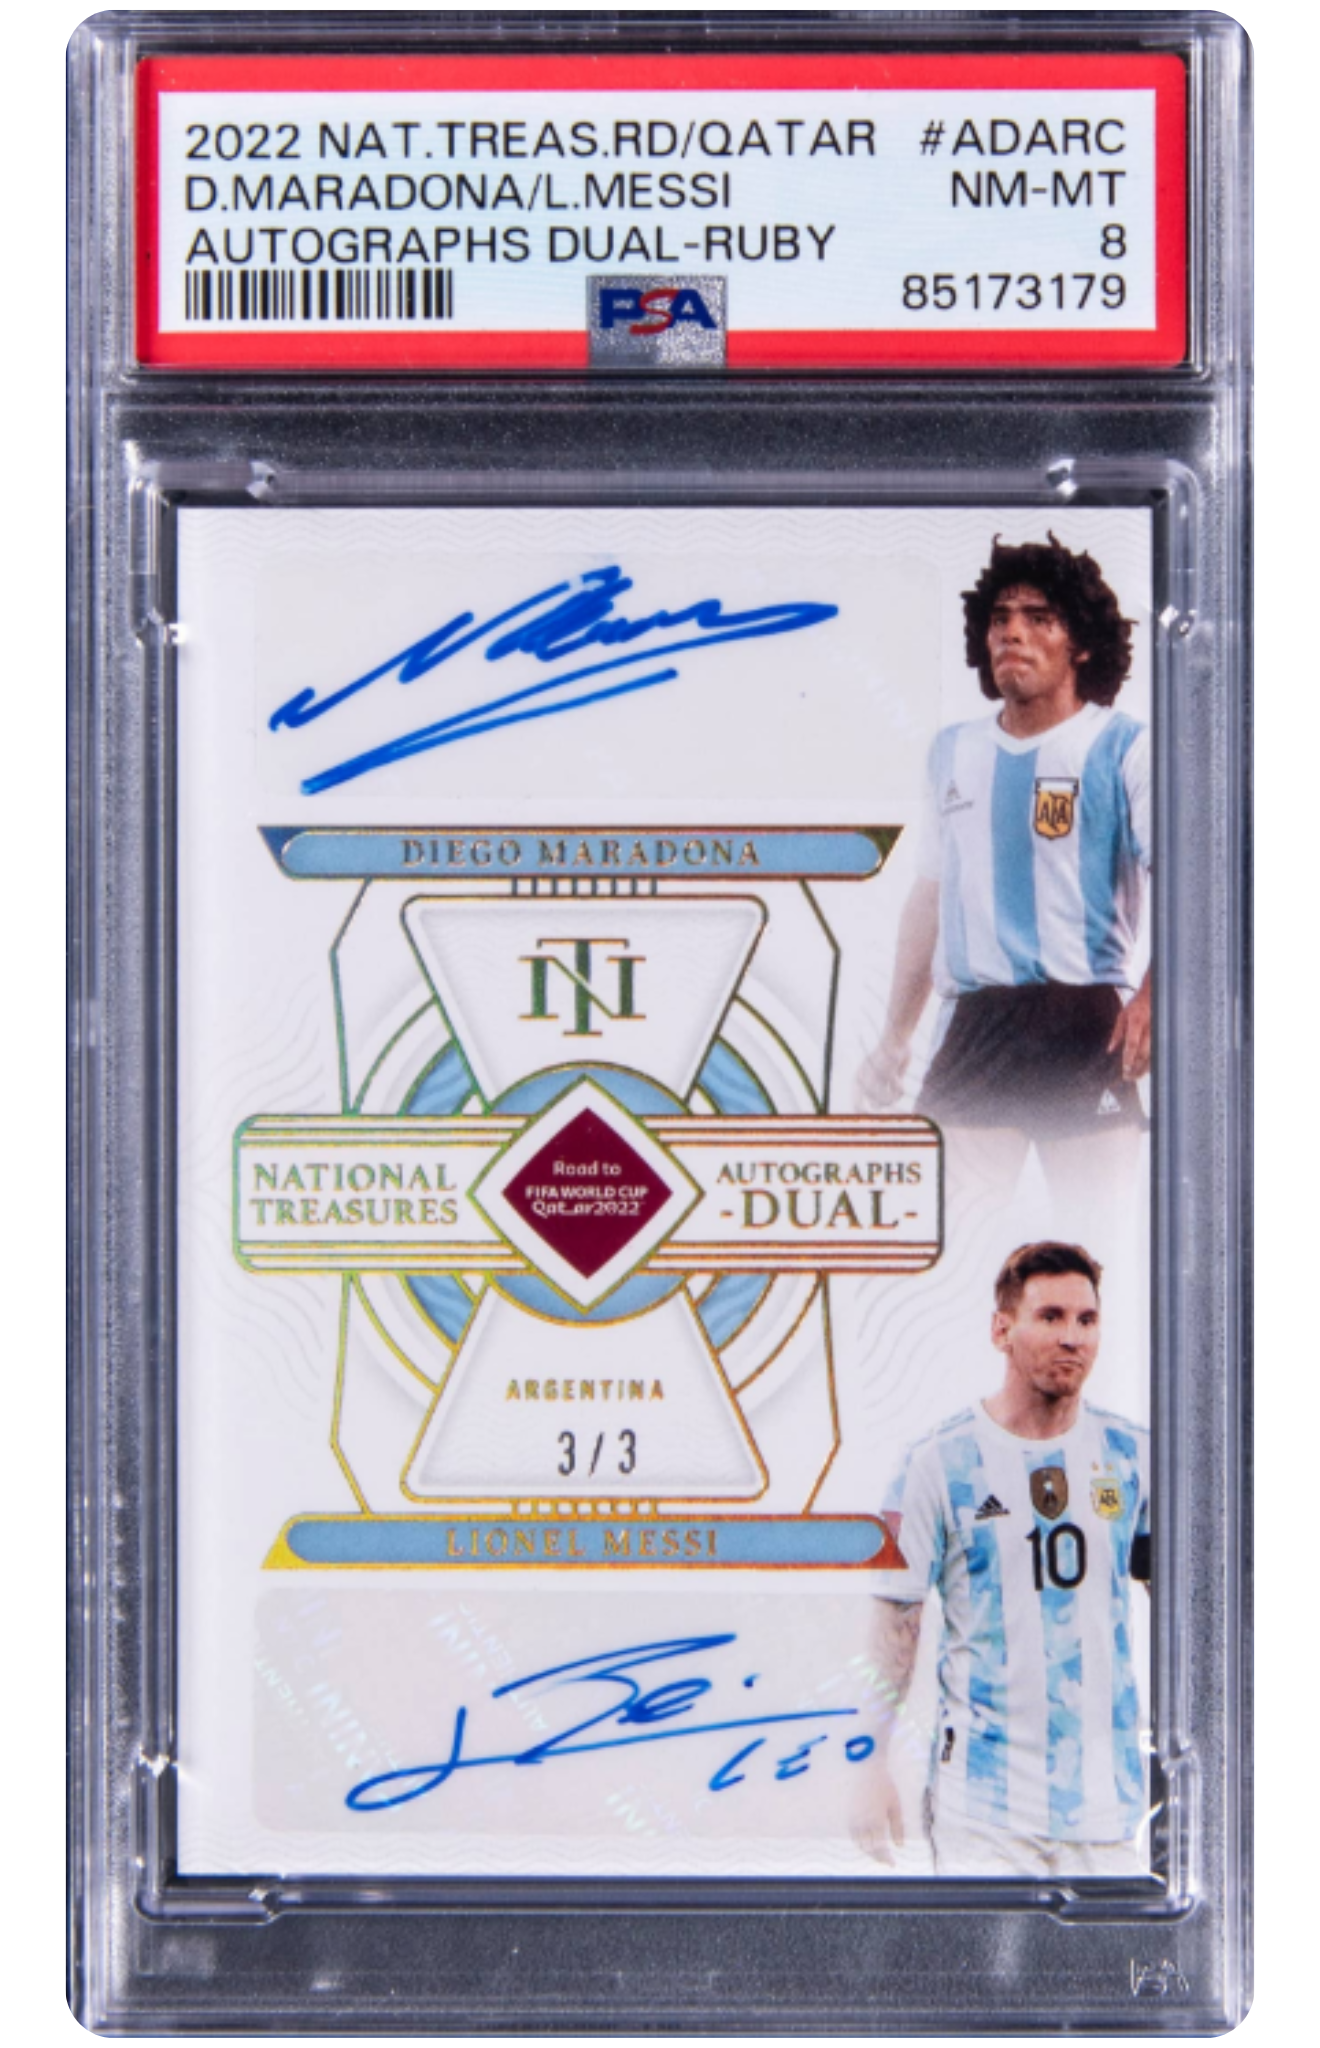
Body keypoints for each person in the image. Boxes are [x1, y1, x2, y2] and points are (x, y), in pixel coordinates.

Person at [858, 535, 1151, 1204]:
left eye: (1038, 618)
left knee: (1096, 1235)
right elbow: (930, 899)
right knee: (952, 1236)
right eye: (1000, 618)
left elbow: (1187, 884)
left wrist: (1153, 997)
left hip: (1084, 1018)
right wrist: (895, 1038)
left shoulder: (1124, 747)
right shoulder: (953, 752)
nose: (1011, 633)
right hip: (979, 1023)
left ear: (1081, 644)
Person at [855, 1241, 1150, 1877]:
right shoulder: (938, 1462)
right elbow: (896, 1625)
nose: (1071, 1337)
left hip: (1107, 1808)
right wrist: (869, 1762)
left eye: (1086, 1320)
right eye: (1050, 1317)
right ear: (1002, 1329)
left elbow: (1187, 1608)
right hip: (983, 1811)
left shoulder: (1132, 1456)